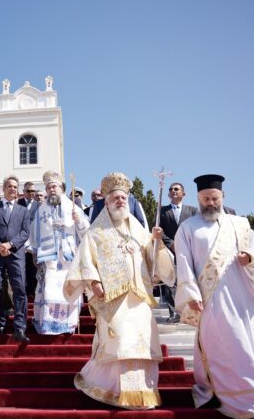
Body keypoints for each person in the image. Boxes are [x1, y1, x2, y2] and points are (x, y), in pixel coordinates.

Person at [174, 174, 254, 418]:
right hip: (212, 302)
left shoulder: (240, 224)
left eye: (214, 198)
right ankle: (234, 398)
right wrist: (190, 293)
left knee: (252, 343)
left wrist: (250, 259)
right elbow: (183, 262)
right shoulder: (187, 228)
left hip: (244, 299)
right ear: (198, 199)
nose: (210, 203)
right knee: (227, 346)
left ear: (223, 196)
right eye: (205, 199)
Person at [64, 172, 174, 409]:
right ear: (106, 201)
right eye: (115, 198)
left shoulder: (139, 230)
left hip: (140, 297)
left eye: (124, 198)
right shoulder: (95, 232)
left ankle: (143, 393)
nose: (121, 201)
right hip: (113, 299)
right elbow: (84, 261)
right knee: (121, 342)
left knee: (142, 343)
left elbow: (154, 262)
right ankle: (112, 391)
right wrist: (94, 283)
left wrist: (157, 243)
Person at [30, 170, 90, 334]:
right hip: (49, 258)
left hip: (68, 257)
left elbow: (86, 232)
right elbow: (34, 234)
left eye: (54, 186)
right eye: (48, 188)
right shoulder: (41, 209)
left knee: (68, 289)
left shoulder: (73, 207)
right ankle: (48, 325)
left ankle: (69, 325)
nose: (51, 190)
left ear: (61, 188)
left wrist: (78, 220)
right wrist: (35, 253)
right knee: (49, 289)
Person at [0, 175, 31, 343]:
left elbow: (25, 232)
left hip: (16, 254)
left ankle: (20, 327)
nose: (12, 189)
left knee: (20, 290)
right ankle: (0, 323)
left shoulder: (23, 210)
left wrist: (10, 244)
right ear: (3, 189)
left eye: (15, 187)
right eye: (9, 186)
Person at [158, 182, 198, 323]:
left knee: (190, 280)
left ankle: (193, 310)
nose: (173, 191)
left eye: (176, 189)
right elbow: (159, 231)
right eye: (171, 189)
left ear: (183, 193)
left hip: (189, 251)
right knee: (171, 283)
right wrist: (171, 244)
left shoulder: (193, 211)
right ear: (168, 194)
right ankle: (174, 312)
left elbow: (197, 231)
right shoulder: (161, 211)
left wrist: (186, 245)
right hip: (170, 252)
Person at [18, 181, 38, 297]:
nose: (31, 193)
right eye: (28, 191)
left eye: (33, 191)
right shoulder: (18, 203)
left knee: (32, 267)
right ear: (24, 192)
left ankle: (31, 290)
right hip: (20, 240)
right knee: (20, 267)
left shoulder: (39, 205)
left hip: (33, 240)